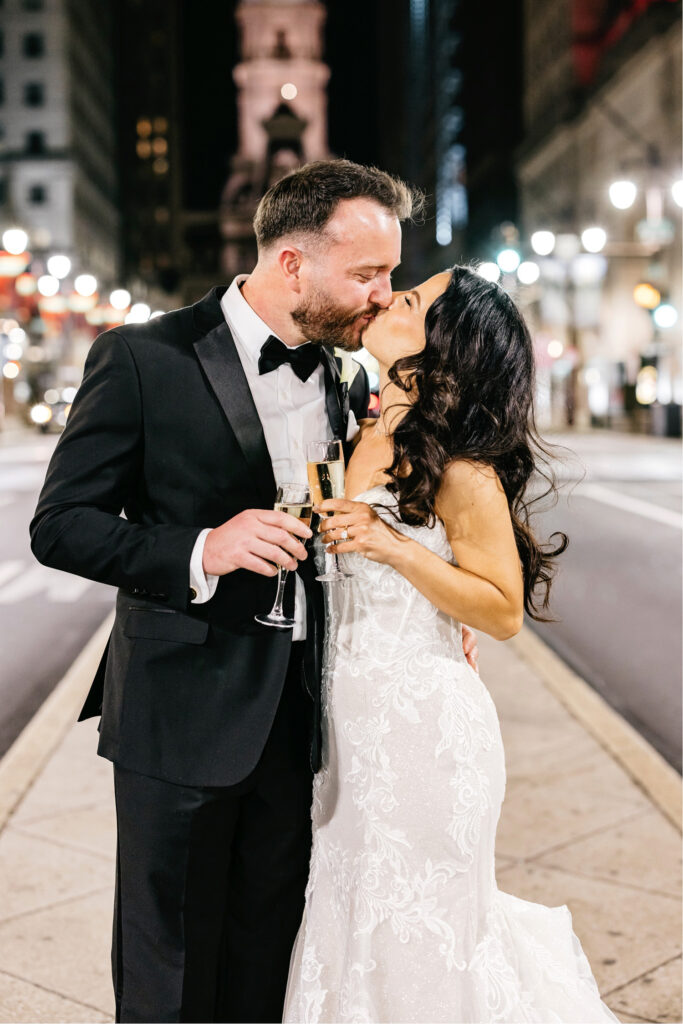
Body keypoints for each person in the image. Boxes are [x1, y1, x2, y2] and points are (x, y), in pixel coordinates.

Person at [29, 160, 479, 1023]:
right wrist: (204, 546)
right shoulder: (141, 357)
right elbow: (62, 525)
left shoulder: (352, 381)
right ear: (291, 265)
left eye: (391, 274)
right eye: (367, 274)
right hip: (182, 714)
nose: (385, 296)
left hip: (307, 716)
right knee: (172, 962)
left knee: (270, 953)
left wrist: (430, 607)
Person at [283, 266, 620, 1023]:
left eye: (408, 301)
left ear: (439, 349)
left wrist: (391, 547)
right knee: (349, 919)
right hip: (344, 729)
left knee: (418, 935)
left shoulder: (460, 469)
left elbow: (501, 611)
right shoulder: (355, 427)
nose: (384, 299)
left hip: (421, 736)